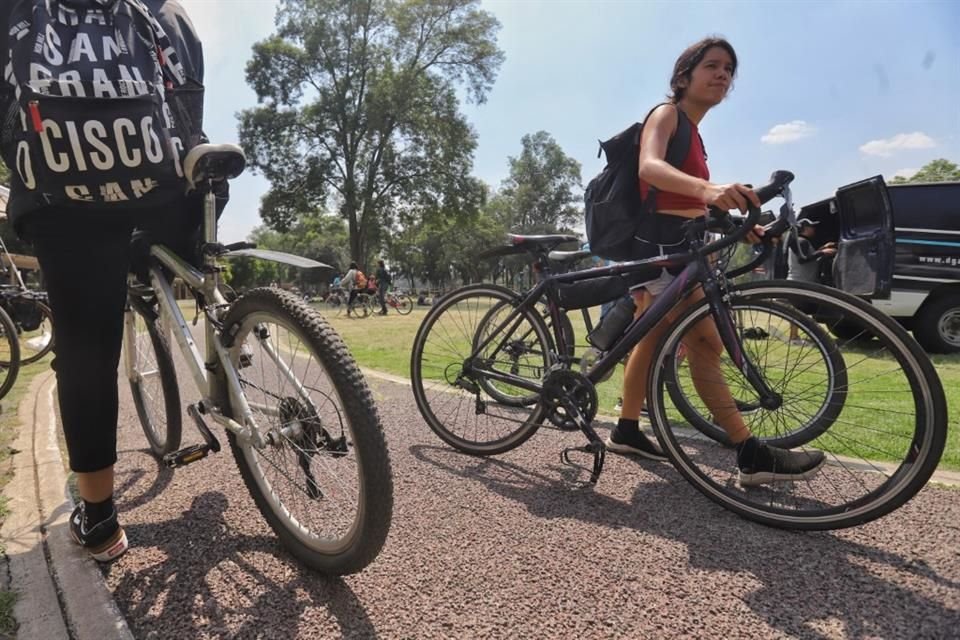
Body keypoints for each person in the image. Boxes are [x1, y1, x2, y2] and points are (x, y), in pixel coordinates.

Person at [0, 0, 205, 561]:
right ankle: (237, 349)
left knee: (87, 347)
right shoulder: (160, 10)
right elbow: (187, 94)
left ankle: (100, 521)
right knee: (197, 264)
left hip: (61, 195)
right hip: (161, 184)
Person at [605, 37, 825, 486]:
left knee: (652, 341)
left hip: (680, 244)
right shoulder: (666, 114)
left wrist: (731, 221)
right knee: (705, 342)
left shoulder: (696, 135)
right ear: (684, 76)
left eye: (729, 68)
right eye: (712, 65)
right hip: (659, 246)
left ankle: (627, 429)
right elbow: (650, 168)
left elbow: (688, 200)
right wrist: (707, 189)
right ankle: (749, 451)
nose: (723, 74)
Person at [787, 217, 836, 341]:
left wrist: (822, 248)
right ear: (805, 229)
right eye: (811, 226)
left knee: (798, 311)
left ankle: (794, 337)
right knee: (804, 311)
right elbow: (802, 259)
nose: (814, 228)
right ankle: (802, 337)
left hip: (798, 283)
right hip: (800, 283)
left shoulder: (802, 242)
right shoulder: (802, 241)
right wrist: (823, 252)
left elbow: (809, 257)